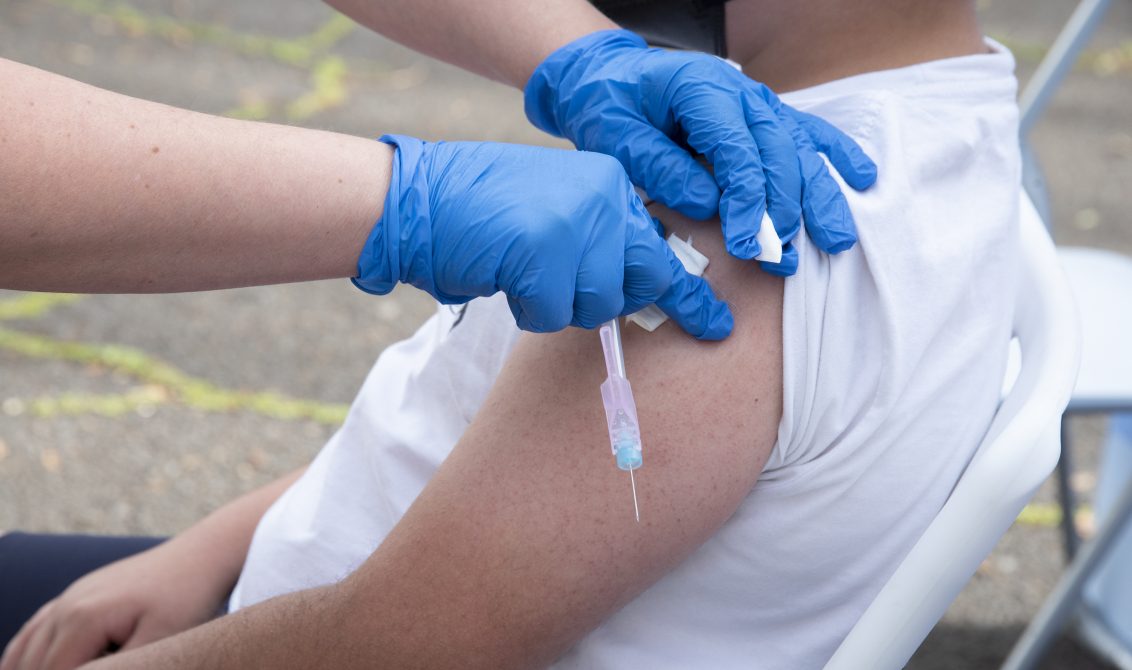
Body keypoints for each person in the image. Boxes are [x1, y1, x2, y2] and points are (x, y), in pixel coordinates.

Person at [0, 0, 1022, 668]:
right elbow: (472, 449)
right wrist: (209, 546)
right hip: (279, 580)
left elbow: (399, 643)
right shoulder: (949, 121)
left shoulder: (747, 200)